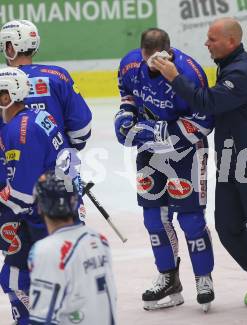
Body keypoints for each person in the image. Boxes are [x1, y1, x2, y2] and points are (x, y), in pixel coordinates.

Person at [152, 17, 247, 319]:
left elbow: (205, 102)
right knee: (227, 227)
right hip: (231, 161)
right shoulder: (227, 65)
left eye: (212, 39)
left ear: (231, 42)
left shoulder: (241, 72)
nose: (206, 43)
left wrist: (174, 75)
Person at [114, 28, 215, 312]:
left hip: (187, 150)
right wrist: (125, 116)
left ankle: (203, 276)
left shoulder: (190, 72)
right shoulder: (130, 64)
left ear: (169, 52)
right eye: (151, 60)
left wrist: (160, 132)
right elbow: (128, 96)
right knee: (153, 219)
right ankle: (169, 278)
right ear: (143, 54)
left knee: (191, 218)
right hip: (149, 152)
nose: (156, 65)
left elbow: (204, 121)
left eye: (162, 59)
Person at [0, 67, 72, 324]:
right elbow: (70, 158)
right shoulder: (39, 116)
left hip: (40, 218)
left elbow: (21, 195)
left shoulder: (19, 129)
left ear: (10, 96)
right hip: (58, 210)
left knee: (14, 278)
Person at [28, 170, 117, 325]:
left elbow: (42, 318)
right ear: (75, 202)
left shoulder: (46, 250)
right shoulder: (99, 239)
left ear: (40, 207)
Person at [0, 19, 92, 152]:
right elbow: (81, 126)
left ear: (10, 47)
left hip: (11, 166)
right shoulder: (57, 75)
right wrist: (65, 150)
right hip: (58, 165)